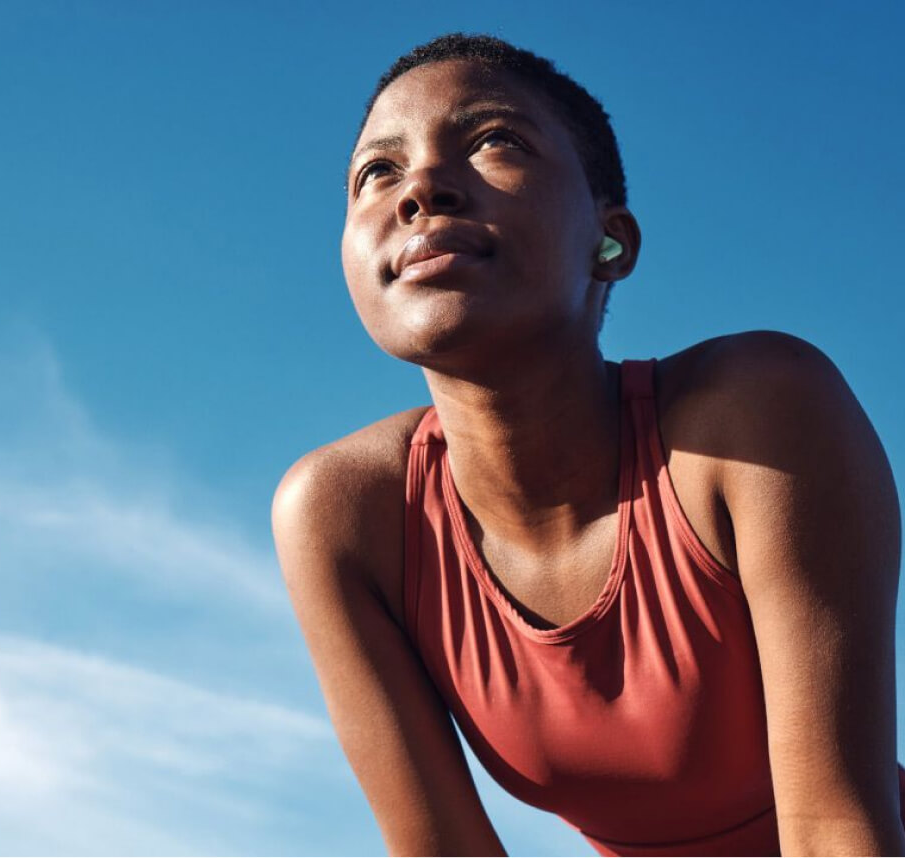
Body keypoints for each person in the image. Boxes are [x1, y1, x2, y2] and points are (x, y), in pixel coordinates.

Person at [271, 33, 905, 857]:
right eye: (376, 173)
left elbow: (834, 833)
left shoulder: (755, 417)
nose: (420, 187)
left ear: (612, 241)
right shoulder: (343, 515)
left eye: (495, 140)